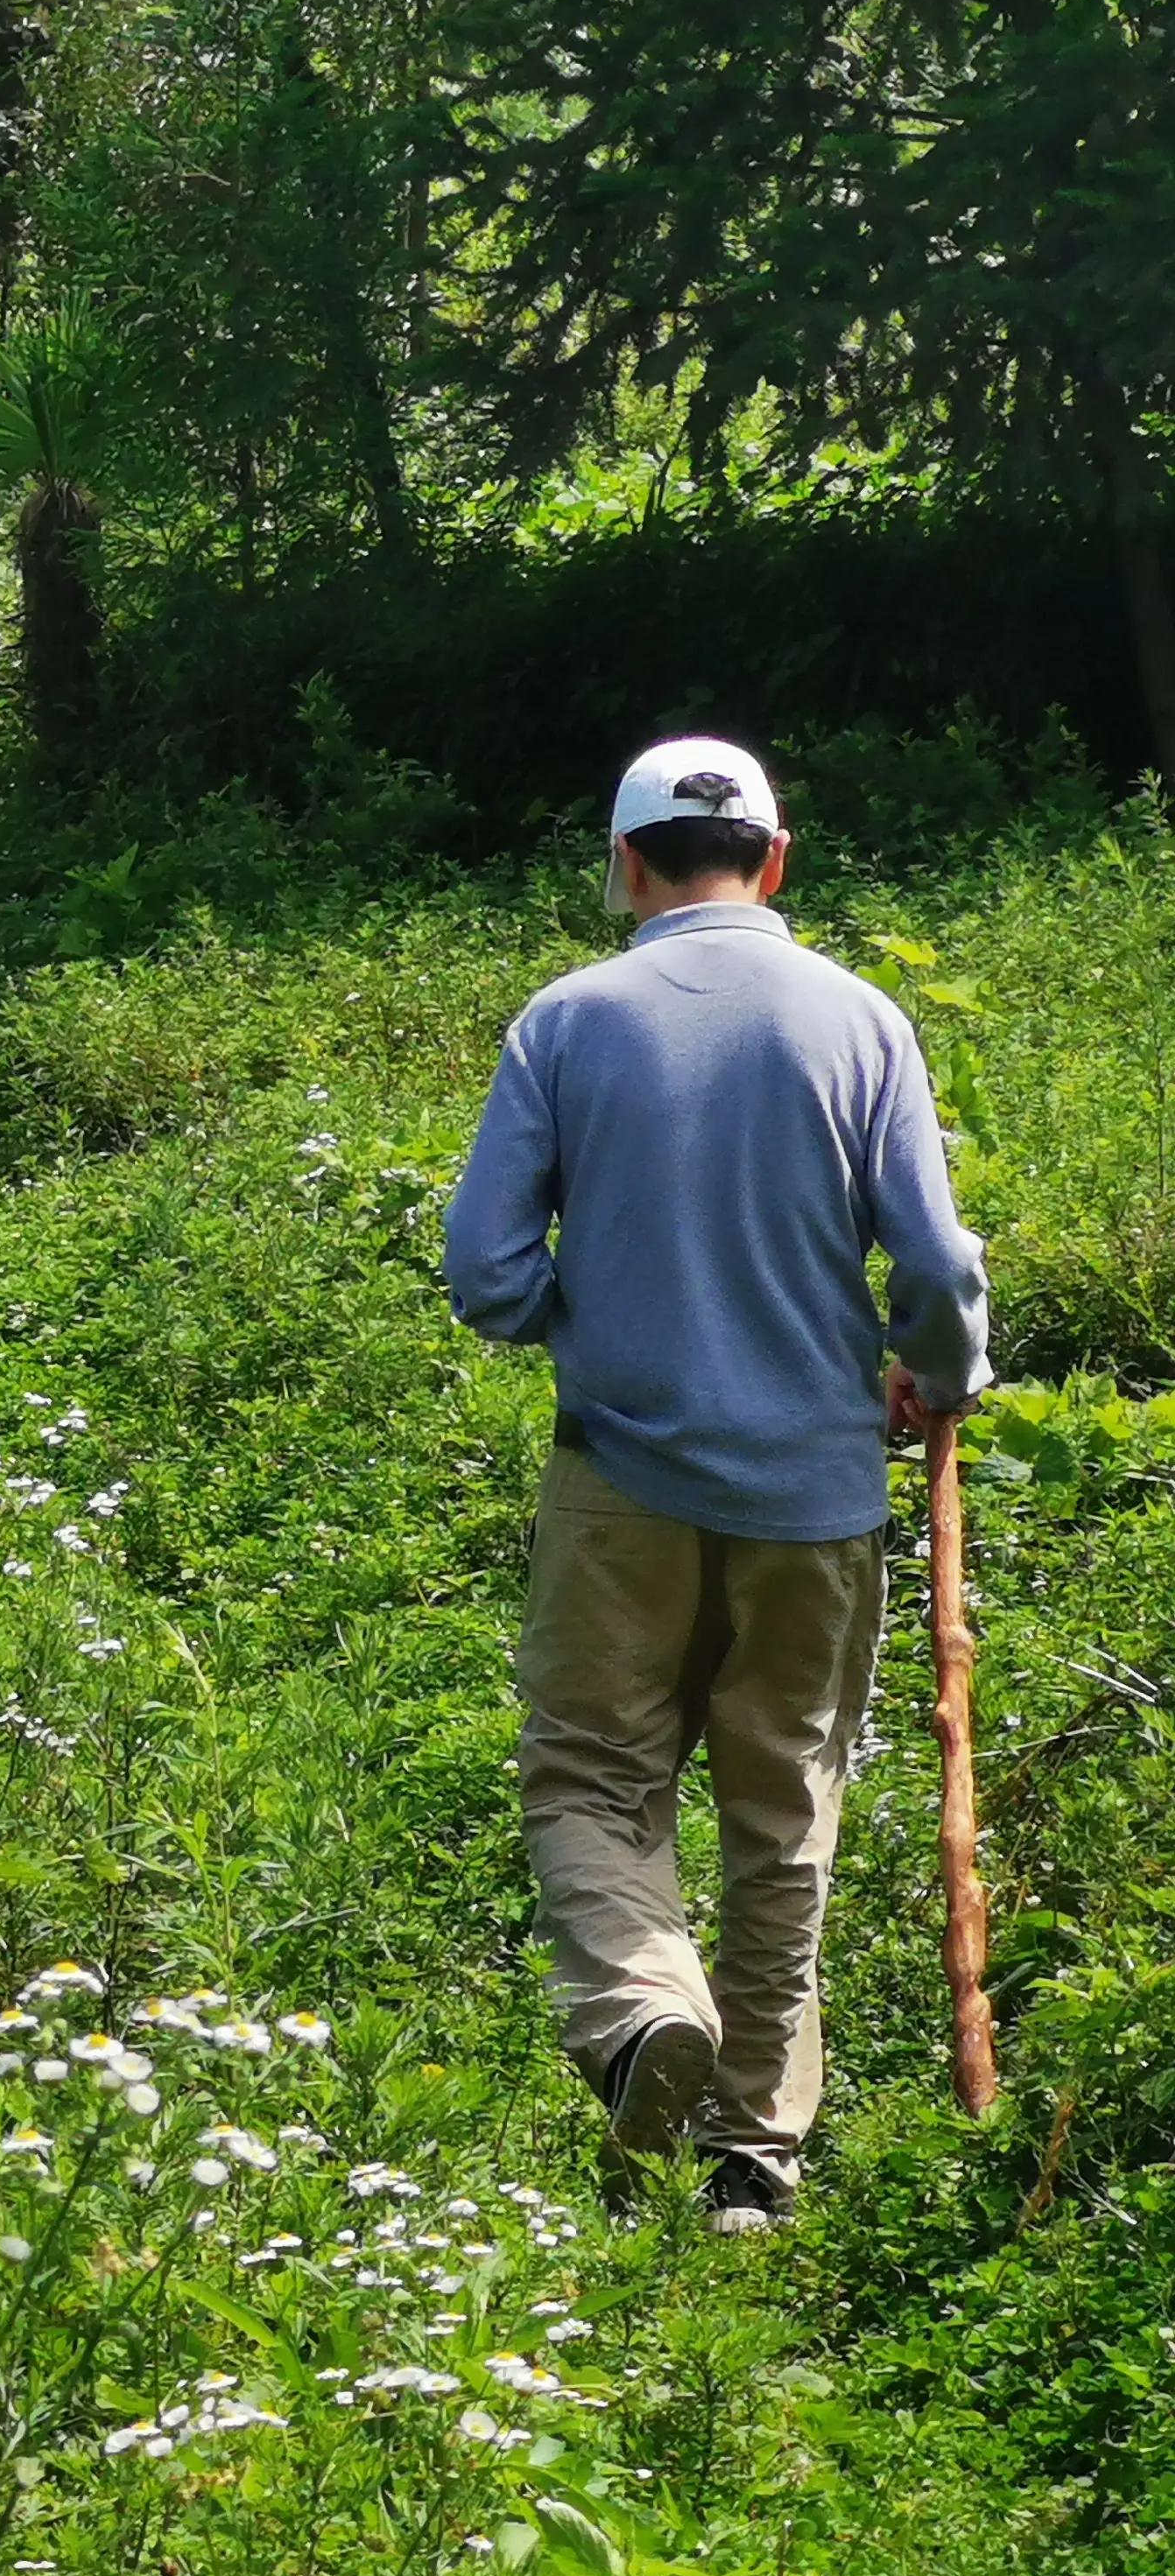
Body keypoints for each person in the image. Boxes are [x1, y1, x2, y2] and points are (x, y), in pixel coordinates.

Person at [442, 737, 990, 2234]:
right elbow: (938, 1268)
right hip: (815, 1491)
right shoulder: (859, 1020)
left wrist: (590, 1330)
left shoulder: (567, 1021)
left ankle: (638, 2012)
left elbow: (484, 1271)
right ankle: (756, 2154)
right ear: (778, 857)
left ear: (623, 865)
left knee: (590, 1776)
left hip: (617, 1479)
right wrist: (934, 1374)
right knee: (782, 1808)